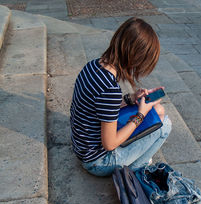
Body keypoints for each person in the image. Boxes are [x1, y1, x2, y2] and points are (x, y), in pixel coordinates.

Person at [70, 17, 172, 177]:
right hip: (97, 162)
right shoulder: (109, 87)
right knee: (164, 125)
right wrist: (140, 115)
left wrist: (131, 99)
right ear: (136, 58)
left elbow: (101, 107)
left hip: (83, 145)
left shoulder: (93, 65)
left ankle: (137, 156)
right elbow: (109, 144)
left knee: (158, 109)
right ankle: (138, 166)